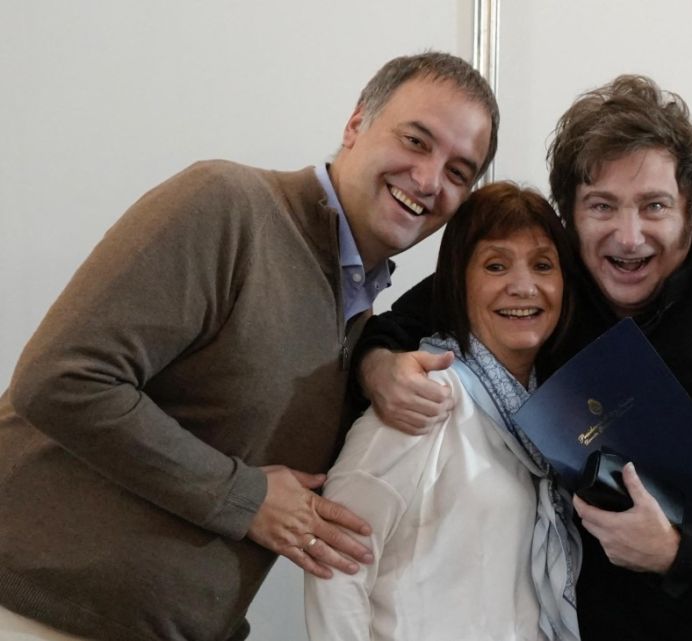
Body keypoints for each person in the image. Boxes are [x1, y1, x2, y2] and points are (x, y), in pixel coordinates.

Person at [0, 51, 497, 641]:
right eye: (416, 140)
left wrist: (372, 363)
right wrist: (247, 496)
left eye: (458, 172)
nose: (428, 179)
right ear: (356, 124)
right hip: (35, 611)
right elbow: (60, 379)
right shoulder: (228, 205)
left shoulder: (358, 312)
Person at [353, 75, 692, 640]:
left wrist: (677, 550)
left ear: (691, 212)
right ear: (570, 215)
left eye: (654, 206)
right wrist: (377, 362)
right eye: (602, 206)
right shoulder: (545, 288)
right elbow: (406, 320)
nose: (628, 239)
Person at [305, 182, 580, 641]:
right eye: (496, 265)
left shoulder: (545, 424)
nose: (523, 286)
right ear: (457, 282)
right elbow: (334, 566)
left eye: (543, 265)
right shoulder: (423, 398)